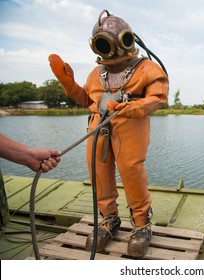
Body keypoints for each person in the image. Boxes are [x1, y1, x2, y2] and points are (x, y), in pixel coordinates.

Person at [48, 10, 169, 257]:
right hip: (98, 128)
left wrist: (130, 107)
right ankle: (109, 220)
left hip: (130, 127)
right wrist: (69, 85)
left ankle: (141, 224)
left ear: (128, 39)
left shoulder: (147, 68)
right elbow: (86, 99)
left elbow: (158, 98)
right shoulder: (97, 73)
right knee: (99, 173)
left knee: (131, 172)